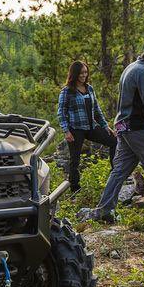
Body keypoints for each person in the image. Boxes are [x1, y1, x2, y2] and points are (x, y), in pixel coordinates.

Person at [88, 39, 144, 222]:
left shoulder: (132, 67)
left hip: (123, 126)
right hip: (136, 128)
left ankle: (104, 211)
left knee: (120, 171)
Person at [57, 61, 116, 193]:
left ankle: (115, 176)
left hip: (91, 127)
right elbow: (61, 112)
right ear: (75, 74)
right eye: (81, 73)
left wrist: (105, 126)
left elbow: (96, 109)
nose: (84, 75)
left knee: (114, 141)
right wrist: (66, 131)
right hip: (75, 129)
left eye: (85, 72)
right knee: (75, 160)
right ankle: (75, 189)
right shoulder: (67, 91)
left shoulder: (89, 88)